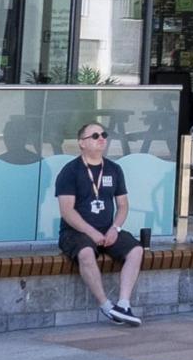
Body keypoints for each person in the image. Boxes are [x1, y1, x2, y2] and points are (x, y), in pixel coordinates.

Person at [55, 122, 147, 326]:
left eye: (103, 135)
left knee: (136, 250)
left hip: (107, 230)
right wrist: (92, 233)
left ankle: (123, 304)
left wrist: (115, 228)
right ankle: (106, 306)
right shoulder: (70, 171)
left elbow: (122, 205)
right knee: (86, 253)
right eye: (94, 136)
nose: (101, 139)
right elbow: (67, 211)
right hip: (76, 231)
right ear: (81, 143)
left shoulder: (114, 169)